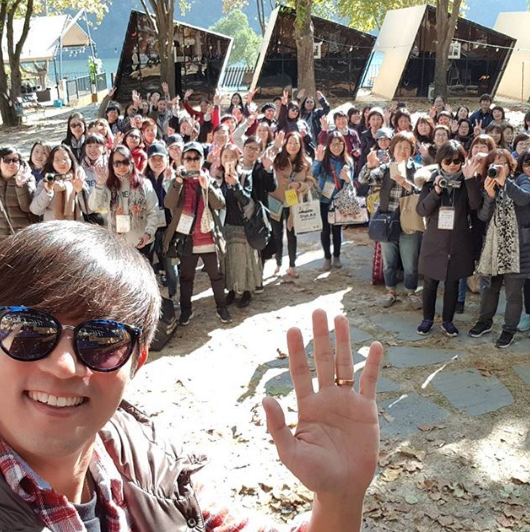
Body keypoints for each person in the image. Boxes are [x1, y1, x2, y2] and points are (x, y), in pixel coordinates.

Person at [0, 220, 383, 532]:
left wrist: (340, 498)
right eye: (29, 330)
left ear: (138, 360)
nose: (63, 365)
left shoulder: (145, 457)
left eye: (101, 340)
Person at [416, 141, 482, 336]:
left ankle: (448, 320)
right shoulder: (430, 182)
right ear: (440, 162)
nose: (453, 165)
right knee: (430, 282)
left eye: (458, 161)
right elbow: (421, 210)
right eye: (448, 161)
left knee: (452, 282)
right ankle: (427, 319)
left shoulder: (468, 182)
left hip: (458, 240)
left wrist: (470, 180)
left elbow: (475, 205)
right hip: (434, 240)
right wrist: (436, 191)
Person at [163, 141, 232, 325]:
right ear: (183, 160)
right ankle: (186, 311)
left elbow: (220, 204)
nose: (192, 162)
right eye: (188, 158)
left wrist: (206, 185)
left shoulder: (209, 179)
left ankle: (221, 307)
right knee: (186, 278)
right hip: (188, 239)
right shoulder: (178, 182)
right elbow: (168, 203)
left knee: (216, 276)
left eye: (196, 158)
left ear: (202, 160)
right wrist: (178, 181)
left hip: (208, 237)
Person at [469, 149, 530, 348]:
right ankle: (485, 321)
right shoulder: (489, 182)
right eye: (494, 164)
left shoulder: (521, 180)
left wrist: (506, 182)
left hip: (518, 249)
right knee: (489, 289)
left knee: (513, 293)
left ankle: (509, 330)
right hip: (494, 247)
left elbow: (524, 199)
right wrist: (490, 194)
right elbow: (483, 216)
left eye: (502, 163)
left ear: (510, 165)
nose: (498, 167)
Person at [361, 131, 422, 309]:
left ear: (412, 150)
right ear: (392, 149)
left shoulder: (417, 169)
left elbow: (423, 194)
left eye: (406, 147)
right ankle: (390, 291)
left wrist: (405, 184)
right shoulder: (386, 168)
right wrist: (369, 165)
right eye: (399, 147)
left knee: (410, 262)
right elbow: (363, 180)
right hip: (388, 220)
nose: (402, 151)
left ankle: (411, 291)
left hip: (409, 221)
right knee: (389, 261)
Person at [88, 145, 158, 255]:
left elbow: (153, 211)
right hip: (117, 244)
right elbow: (94, 206)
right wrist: (100, 184)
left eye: (125, 162)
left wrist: (148, 234)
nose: (121, 166)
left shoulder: (143, 183)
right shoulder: (107, 185)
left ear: (131, 162)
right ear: (112, 165)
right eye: (117, 163)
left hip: (141, 242)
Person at [219, 143, 263, 308]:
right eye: (225, 157)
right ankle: (231, 289)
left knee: (245, 260)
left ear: (238, 158)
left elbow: (246, 199)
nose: (228, 160)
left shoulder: (245, 175)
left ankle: (246, 291)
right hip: (227, 224)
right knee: (229, 259)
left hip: (243, 224)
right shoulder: (217, 176)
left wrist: (236, 184)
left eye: (232, 156)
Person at [269, 131, 315, 278]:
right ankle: (278, 263)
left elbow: (311, 182)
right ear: (285, 144)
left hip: (294, 202)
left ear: (300, 144)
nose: (293, 146)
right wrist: (275, 146)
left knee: (292, 234)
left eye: (296, 143)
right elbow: (266, 158)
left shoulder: (306, 162)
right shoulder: (277, 159)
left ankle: (292, 265)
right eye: (289, 142)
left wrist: (300, 185)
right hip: (276, 201)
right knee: (277, 234)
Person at [144, 142, 179, 307]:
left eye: (160, 158)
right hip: (150, 227)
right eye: (153, 159)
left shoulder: (174, 177)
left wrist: (169, 181)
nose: (157, 162)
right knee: (150, 265)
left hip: (169, 227)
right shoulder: (143, 180)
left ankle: (174, 295)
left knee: (171, 264)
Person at [313, 132, 353, 271]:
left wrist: (347, 178)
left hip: (339, 200)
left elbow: (351, 184)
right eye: (334, 144)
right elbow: (313, 175)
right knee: (324, 230)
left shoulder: (347, 161)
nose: (337, 147)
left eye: (340, 143)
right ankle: (327, 258)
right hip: (324, 200)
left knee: (337, 230)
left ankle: (336, 256)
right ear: (328, 145)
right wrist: (317, 160)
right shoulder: (324, 159)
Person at [30, 145, 89, 221]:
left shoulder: (78, 179)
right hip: (53, 229)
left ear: (71, 160)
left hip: (76, 229)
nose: (62, 163)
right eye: (57, 160)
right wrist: (47, 191)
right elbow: (35, 210)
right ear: (52, 162)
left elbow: (89, 210)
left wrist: (80, 191)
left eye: (65, 159)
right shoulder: (46, 182)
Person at [0, 146, 36, 240]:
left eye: (15, 160)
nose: (11, 163)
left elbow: (28, 208)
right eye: (7, 160)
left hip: (22, 238)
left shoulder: (28, 179)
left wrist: (21, 185)